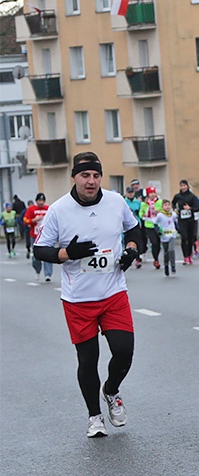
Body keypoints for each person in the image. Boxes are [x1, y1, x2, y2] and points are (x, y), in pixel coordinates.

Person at [32, 151, 142, 438]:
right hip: (78, 298)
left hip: (113, 291)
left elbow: (134, 229)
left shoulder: (116, 201)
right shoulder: (59, 210)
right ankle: (94, 417)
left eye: (95, 175)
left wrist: (131, 249)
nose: (91, 181)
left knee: (123, 351)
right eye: (85, 175)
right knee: (88, 358)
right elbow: (39, 249)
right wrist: (66, 253)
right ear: (74, 177)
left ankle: (112, 390)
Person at [172, 179, 199, 265]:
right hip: (182, 220)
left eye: (184, 185)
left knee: (190, 238)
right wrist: (175, 209)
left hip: (190, 220)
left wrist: (190, 208)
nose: (183, 187)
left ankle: (190, 255)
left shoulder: (192, 196)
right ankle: (185, 257)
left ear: (187, 186)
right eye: (181, 186)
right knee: (184, 237)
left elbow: (198, 206)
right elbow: (173, 203)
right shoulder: (177, 196)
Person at [24, 193, 52, 282]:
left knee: (48, 255)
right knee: (36, 256)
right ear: (36, 201)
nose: (41, 202)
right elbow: (25, 220)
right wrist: (34, 220)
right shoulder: (31, 209)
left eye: (42, 200)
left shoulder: (48, 209)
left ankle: (48, 274)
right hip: (35, 236)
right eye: (39, 200)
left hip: (46, 236)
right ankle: (37, 270)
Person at [139, 186, 163, 268]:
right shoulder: (144, 203)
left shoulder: (160, 202)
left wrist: (159, 211)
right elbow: (140, 213)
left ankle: (156, 256)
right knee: (154, 242)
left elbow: (165, 210)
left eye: (154, 193)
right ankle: (156, 260)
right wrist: (143, 214)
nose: (153, 195)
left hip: (158, 225)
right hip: (149, 225)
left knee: (158, 244)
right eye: (151, 193)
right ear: (148, 195)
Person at [154, 199, 179, 276]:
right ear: (162, 207)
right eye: (165, 205)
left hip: (172, 234)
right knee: (166, 252)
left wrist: (178, 229)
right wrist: (158, 231)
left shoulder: (173, 214)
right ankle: (166, 266)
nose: (167, 207)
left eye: (169, 205)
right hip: (164, 236)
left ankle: (173, 266)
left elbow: (175, 222)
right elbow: (155, 224)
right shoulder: (160, 215)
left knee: (171, 250)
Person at [124, 186, 144, 268]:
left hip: (136, 223)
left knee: (137, 240)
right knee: (126, 241)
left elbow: (140, 212)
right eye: (129, 193)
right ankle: (127, 257)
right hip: (125, 225)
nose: (130, 194)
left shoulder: (138, 202)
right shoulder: (124, 202)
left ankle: (137, 258)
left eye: (132, 192)